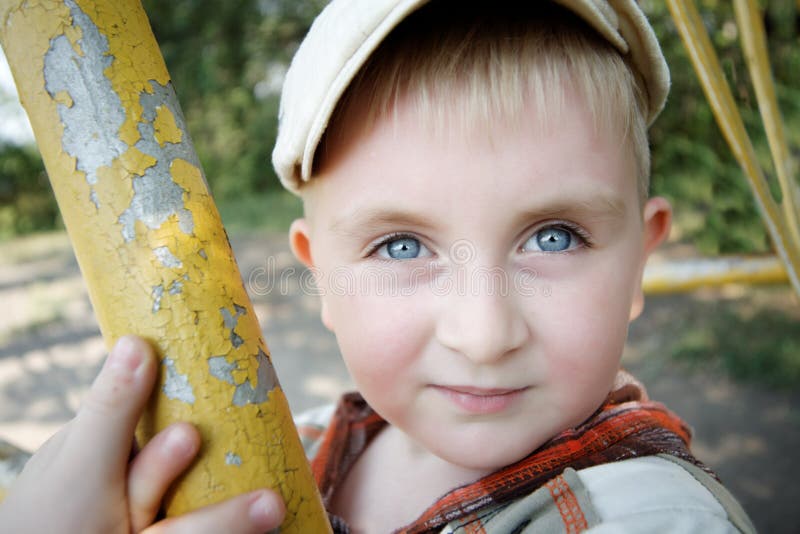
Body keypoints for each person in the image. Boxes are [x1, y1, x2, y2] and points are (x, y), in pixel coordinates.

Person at [0, 0, 756, 532]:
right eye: (402, 246)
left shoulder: (650, 515)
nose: (484, 334)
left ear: (637, 264)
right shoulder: (288, 447)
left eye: (553, 237)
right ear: (321, 273)